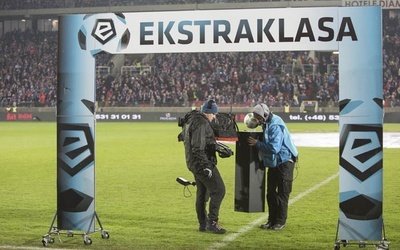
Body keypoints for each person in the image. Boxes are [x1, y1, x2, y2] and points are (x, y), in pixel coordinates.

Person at [247, 103, 298, 231]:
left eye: (258, 117)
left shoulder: (275, 125)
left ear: (265, 114)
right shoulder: (268, 123)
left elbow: (274, 148)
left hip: (285, 161)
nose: (257, 120)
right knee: (270, 193)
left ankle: (280, 222)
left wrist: (257, 143)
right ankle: (271, 220)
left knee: (282, 193)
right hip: (275, 162)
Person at [181, 99, 227, 234]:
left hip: (193, 163)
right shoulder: (201, 123)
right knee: (219, 190)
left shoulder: (191, 120)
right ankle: (212, 223)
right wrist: (206, 166)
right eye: (214, 114)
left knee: (202, 193)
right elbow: (198, 147)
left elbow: (187, 139)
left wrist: (216, 148)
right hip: (202, 164)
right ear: (209, 113)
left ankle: (203, 223)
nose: (214, 117)